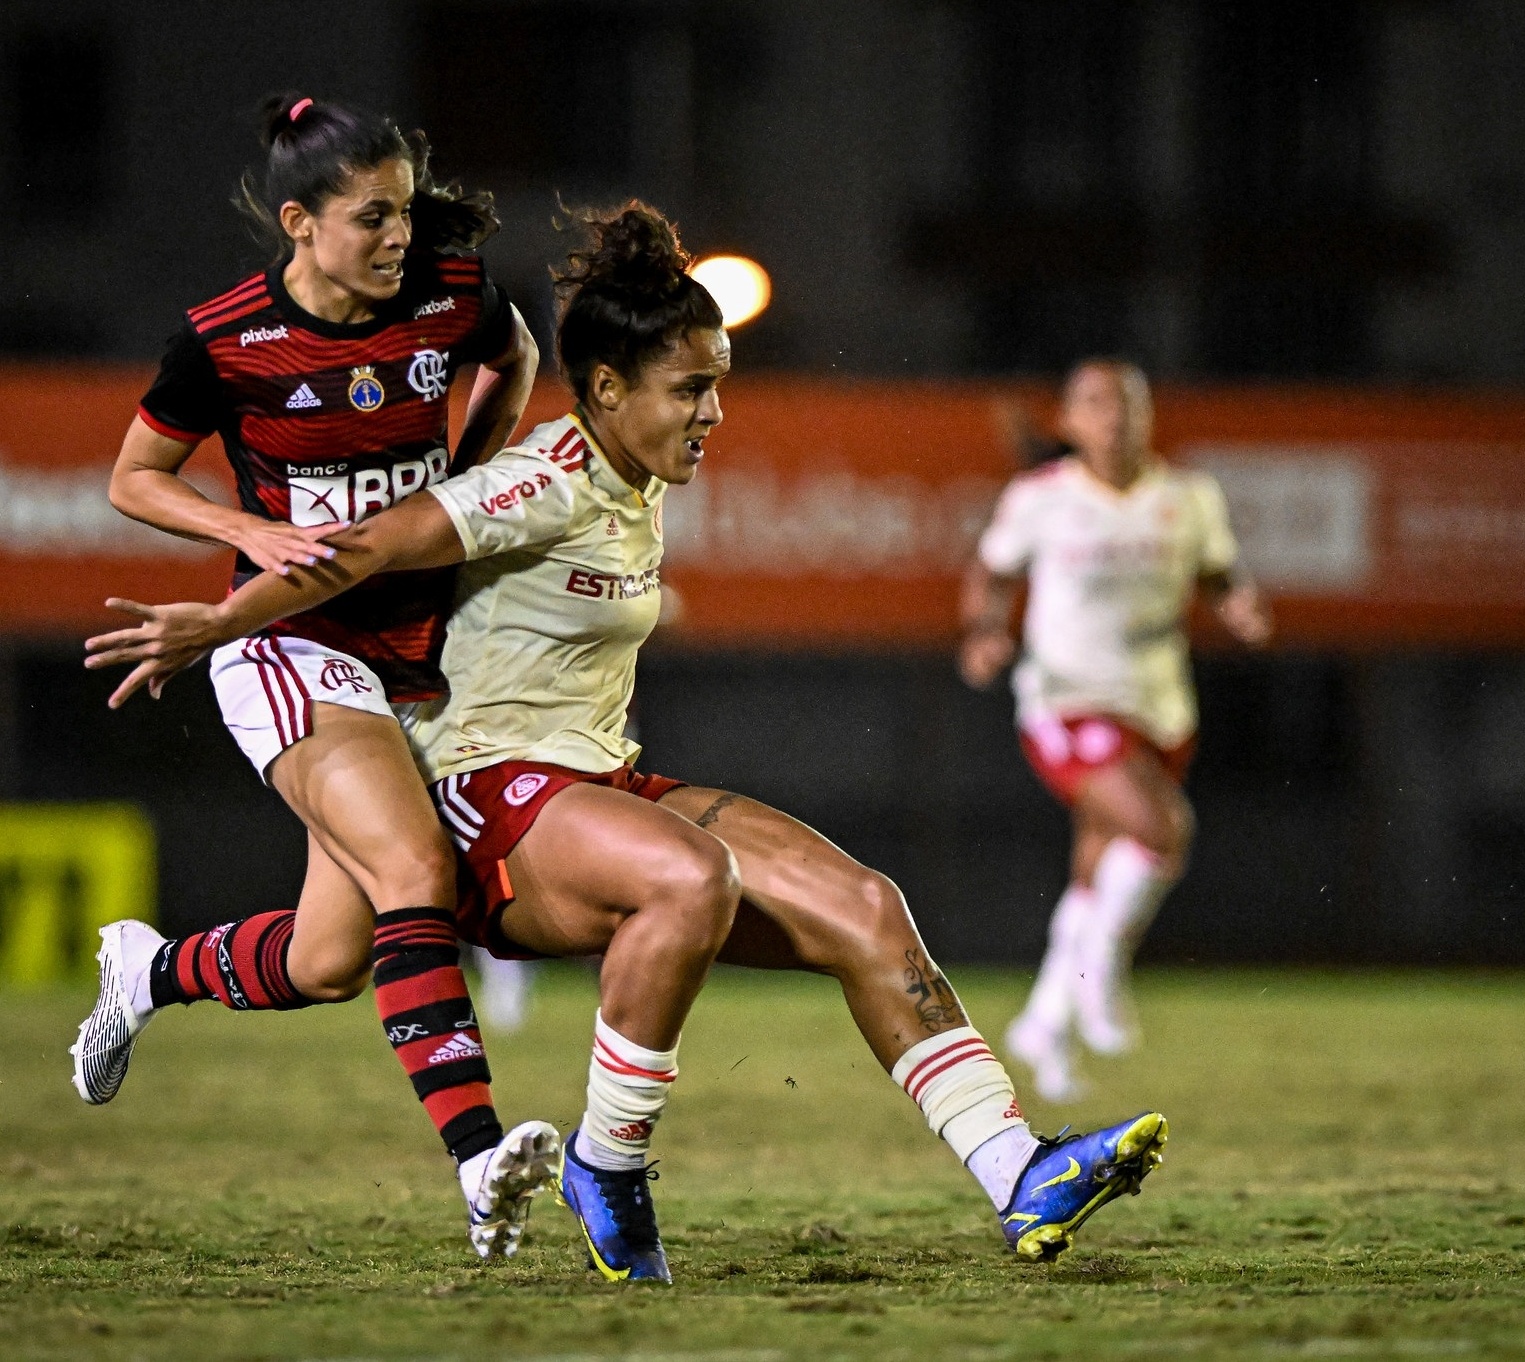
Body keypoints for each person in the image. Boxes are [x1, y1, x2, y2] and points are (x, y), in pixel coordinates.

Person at [83, 202, 1170, 1281]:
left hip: (587, 779)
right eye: (692, 389)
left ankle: (1016, 1167)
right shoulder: (542, 480)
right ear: (606, 389)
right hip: (476, 794)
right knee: (684, 880)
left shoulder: (633, 478)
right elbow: (368, 543)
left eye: (718, 387)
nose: (713, 414)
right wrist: (222, 618)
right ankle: (606, 1164)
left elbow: (504, 372)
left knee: (864, 906)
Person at [70, 93, 560, 1259]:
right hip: (290, 644)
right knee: (412, 865)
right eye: (372, 218)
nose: (399, 238)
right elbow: (133, 479)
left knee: (330, 958)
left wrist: (461, 477)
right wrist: (245, 536)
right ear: (300, 221)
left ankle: (151, 969)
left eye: (404, 213)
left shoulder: (448, 290)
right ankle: (480, 1158)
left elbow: (517, 355)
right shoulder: (226, 337)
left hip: (408, 646)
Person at [958, 360, 1273, 1102]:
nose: (1116, 418)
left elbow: (1219, 573)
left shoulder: (1188, 496)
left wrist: (1239, 606)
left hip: (1158, 706)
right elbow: (992, 572)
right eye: (1097, 405)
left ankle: (1044, 1025)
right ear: (1068, 422)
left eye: (1129, 404)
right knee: (1161, 829)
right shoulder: (1041, 498)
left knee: (1096, 873)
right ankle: (1099, 982)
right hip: (1065, 700)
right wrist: (981, 631)